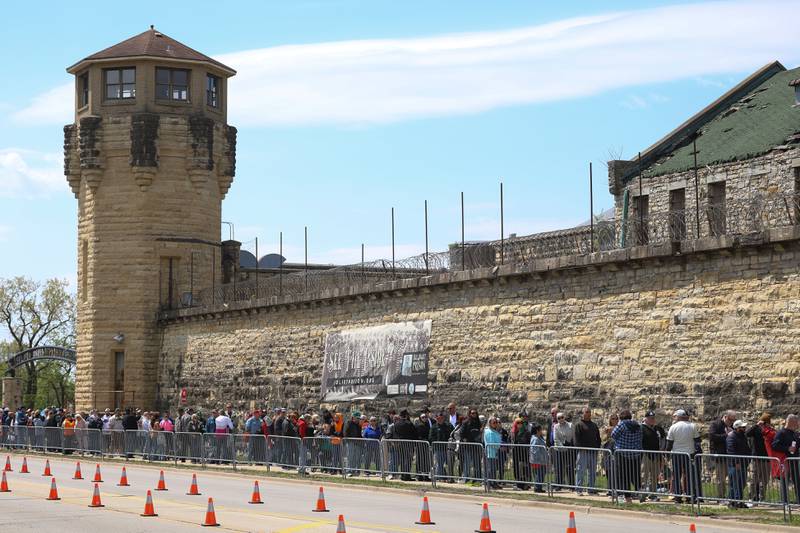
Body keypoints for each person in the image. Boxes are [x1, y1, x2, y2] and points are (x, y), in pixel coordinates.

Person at [666, 409, 701, 503]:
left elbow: (669, 443)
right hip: (689, 454)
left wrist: (667, 455)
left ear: (678, 417)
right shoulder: (692, 426)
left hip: (676, 454)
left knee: (676, 475)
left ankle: (677, 497)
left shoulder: (673, 427)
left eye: (675, 416)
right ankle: (690, 496)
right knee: (689, 476)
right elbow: (697, 440)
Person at [611, 409, 643, 503]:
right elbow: (641, 437)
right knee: (635, 474)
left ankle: (627, 497)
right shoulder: (638, 426)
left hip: (622, 454)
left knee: (624, 476)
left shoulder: (621, 425)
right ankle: (640, 493)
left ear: (621, 417)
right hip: (636, 454)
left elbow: (613, 435)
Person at [772, 414, 800, 505]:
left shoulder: (795, 433)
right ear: (792, 422)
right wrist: (787, 448)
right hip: (785, 461)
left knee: (797, 480)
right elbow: (774, 445)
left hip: (794, 461)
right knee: (784, 480)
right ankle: (784, 501)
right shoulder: (781, 433)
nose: (798, 424)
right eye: (796, 422)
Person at [709, 410, 736, 500]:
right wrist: (727, 435)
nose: (732, 422)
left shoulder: (732, 426)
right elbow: (712, 437)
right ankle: (720, 497)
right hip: (720, 455)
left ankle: (731, 496)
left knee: (732, 478)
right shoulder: (715, 424)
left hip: (730, 455)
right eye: (730, 420)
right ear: (725, 417)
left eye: (733, 420)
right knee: (721, 479)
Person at [746, 412, 773, 502]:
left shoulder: (770, 430)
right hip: (756, 457)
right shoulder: (756, 429)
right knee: (754, 478)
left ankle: (761, 498)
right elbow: (747, 433)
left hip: (766, 458)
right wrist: (756, 425)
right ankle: (752, 497)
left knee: (764, 480)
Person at [573, 407, 601, 495]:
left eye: (589, 412)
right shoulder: (579, 425)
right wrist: (580, 448)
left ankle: (591, 489)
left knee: (592, 472)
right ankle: (579, 489)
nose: (588, 414)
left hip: (593, 452)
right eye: (586, 412)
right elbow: (576, 439)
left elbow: (598, 438)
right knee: (580, 471)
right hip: (583, 452)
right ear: (583, 413)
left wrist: (597, 447)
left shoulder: (594, 425)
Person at [641, 410, 666, 500]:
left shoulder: (658, 428)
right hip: (645, 455)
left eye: (653, 418)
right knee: (644, 475)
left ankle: (653, 494)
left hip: (656, 455)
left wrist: (662, 451)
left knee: (655, 476)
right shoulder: (641, 428)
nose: (652, 420)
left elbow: (663, 439)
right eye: (650, 418)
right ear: (646, 418)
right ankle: (642, 494)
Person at [726, 420, 751, 508]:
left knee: (741, 484)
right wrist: (736, 462)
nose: (744, 429)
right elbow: (731, 451)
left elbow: (747, 449)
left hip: (743, 463)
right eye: (742, 427)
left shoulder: (743, 436)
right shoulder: (731, 437)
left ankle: (739, 501)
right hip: (734, 465)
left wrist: (748, 460)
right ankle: (732, 502)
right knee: (734, 484)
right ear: (737, 428)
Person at [460, 408, 483, 484]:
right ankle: (466, 478)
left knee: (477, 463)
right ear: (469, 414)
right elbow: (461, 433)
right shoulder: (465, 422)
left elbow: (479, 433)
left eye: (475, 413)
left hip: (476, 446)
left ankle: (477, 478)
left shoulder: (478, 422)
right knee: (467, 463)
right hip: (468, 446)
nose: (474, 414)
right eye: (472, 413)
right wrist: (465, 440)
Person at [552, 412, 574, 490]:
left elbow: (572, 437)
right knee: (559, 468)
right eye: (559, 418)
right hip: (559, 450)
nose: (561, 419)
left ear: (564, 417)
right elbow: (556, 439)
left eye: (562, 417)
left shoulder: (570, 425)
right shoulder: (555, 426)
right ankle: (559, 485)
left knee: (569, 468)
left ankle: (571, 486)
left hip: (569, 450)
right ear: (557, 419)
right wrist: (563, 447)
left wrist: (568, 445)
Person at [429, 411, 454, 481]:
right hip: (438, 449)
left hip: (448, 448)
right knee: (439, 464)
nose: (440, 419)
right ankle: (440, 478)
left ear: (443, 418)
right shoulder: (434, 427)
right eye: (438, 418)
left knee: (449, 464)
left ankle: (449, 478)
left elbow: (453, 434)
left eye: (441, 418)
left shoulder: (448, 425)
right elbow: (431, 437)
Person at [511, 414, 532, 490]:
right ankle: (518, 484)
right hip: (516, 454)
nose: (519, 424)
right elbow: (511, 441)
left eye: (521, 423)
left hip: (524, 454)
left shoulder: (526, 432)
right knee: (517, 469)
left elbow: (528, 442)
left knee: (524, 469)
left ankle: (526, 484)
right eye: (518, 423)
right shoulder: (514, 432)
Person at [483, 417, 503, 489]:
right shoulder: (489, 431)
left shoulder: (494, 431)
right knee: (491, 469)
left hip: (494, 453)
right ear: (490, 423)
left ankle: (493, 482)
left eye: (496, 422)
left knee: (493, 469)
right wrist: (499, 447)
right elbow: (491, 443)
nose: (496, 424)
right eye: (494, 423)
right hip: (490, 452)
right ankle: (490, 483)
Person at [529, 423, 548, 492]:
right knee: (539, 473)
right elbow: (534, 450)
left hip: (542, 460)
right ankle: (537, 487)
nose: (542, 431)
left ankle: (539, 487)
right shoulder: (535, 439)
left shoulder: (539, 438)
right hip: (537, 460)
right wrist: (539, 458)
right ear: (537, 430)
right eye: (541, 430)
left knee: (541, 473)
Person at [414, 413, 431, 481]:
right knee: (420, 459)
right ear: (420, 418)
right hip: (420, 445)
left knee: (426, 460)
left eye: (425, 417)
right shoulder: (418, 426)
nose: (424, 418)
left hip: (426, 445)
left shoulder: (427, 425)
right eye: (423, 417)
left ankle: (426, 475)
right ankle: (419, 475)